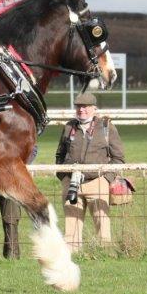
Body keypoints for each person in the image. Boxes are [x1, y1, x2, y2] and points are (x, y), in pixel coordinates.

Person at [55, 91, 126, 251]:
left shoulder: (107, 127)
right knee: (71, 227)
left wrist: (106, 179)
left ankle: (105, 255)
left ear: (94, 108)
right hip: (72, 184)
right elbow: (59, 154)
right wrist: (64, 177)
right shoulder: (69, 127)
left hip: (97, 182)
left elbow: (119, 158)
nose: (82, 110)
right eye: (79, 106)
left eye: (86, 107)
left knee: (102, 226)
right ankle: (73, 258)